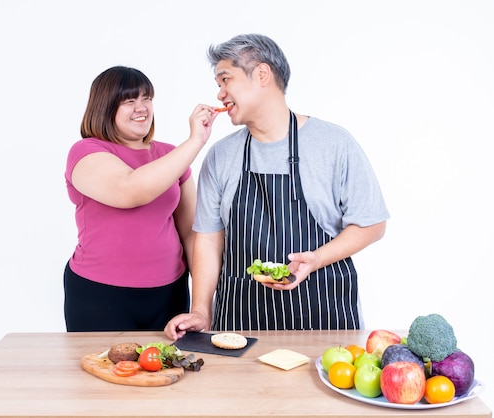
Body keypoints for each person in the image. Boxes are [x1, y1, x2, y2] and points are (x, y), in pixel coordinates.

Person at [165, 34, 390, 338]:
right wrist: (201, 311)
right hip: (241, 324)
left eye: (225, 79)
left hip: (322, 323)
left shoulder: (333, 144)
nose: (219, 94)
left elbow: (372, 224)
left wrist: (317, 259)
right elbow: (208, 239)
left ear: (261, 74)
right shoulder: (220, 156)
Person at [64, 65, 219, 332]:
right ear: (104, 107)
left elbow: (193, 234)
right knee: (104, 371)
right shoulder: (86, 151)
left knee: (171, 372)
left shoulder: (171, 155)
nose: (142, 108)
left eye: (147, 98)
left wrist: (201, 307)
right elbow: (130, 190)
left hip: (170, 294)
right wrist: (195, 141)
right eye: (129, 101)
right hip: (100, 295)